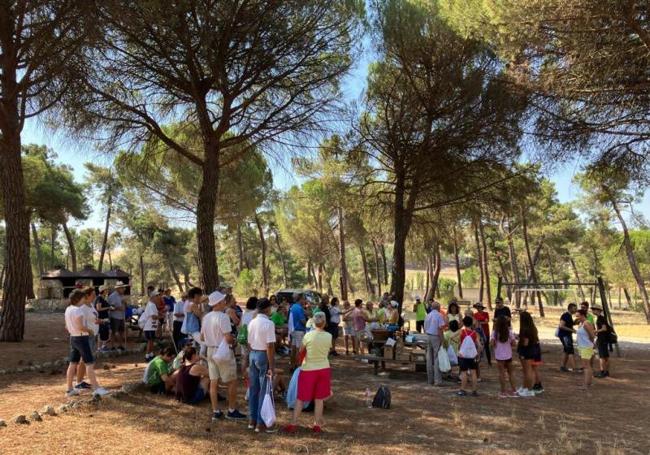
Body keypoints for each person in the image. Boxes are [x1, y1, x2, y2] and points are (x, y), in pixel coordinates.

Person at [283, 312, 333, 434]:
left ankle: (294, 423)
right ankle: (316, 425)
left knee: (301, 398)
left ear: (313, 322)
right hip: (323, 369)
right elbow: (328, 351)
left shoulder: (308, 336)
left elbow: (301, 351)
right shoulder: (329, 336)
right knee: (319, 399)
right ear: (325, 323)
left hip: (308, 369)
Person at [201, 290, 247, 422]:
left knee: (214, 381)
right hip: (222, 351)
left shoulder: (206, 317)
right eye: (223, 300)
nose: (225, 302)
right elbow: (228, 338)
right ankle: (232, 410)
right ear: (219, 303)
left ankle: (216, 411)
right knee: (232, 381)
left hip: (210, 350)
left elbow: (203, 336)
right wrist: (234, 341)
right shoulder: (223, 317)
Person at [64, 289, 109, 397]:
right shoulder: (78, 310)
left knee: (72, 363)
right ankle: (96, 388)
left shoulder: (68, 309)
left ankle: (69, 389)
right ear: (79, 299)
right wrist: (89, 331)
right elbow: (80, 326)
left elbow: (67, 326)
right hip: (82, 338)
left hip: (73, 338)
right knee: (89, 363)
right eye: (83, 298)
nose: (85, 299)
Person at [247, 298, 277, 433]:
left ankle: (252, 420)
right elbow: (270, 346)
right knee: (264, 390)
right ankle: (260, 422)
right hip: (263, 355)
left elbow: (248, 343)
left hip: (252, 354)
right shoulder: (269, 324)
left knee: (253, 389)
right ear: (267, 309)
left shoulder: (252, 322)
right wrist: (272, 366)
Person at [76, 286, 100, 389]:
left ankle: (82, 380)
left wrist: (98, 321)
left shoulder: (91, 305)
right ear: (87, 295)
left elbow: (93, 318)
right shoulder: (82, 308)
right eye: (93, 295)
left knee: (90, 358)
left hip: (93, 335)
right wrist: (88, 331)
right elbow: (80, 323)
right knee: (84, 359)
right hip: (87, 336)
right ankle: (79, 381)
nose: (95, 296)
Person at [491, 316, 518, 398]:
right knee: (511, 373)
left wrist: (495, 344)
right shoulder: (509, 332)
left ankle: (503, 392)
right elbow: (514, 344)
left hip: (499, 356)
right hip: (508, 355)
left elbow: (492, 343)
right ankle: (514, 391)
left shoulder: (495, 332)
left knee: (501, 374)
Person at [516, 311, 539, 397]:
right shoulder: (533, 328)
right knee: (526, 371)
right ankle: (525, 387)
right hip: (531, 350)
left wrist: (519, 340)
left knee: (527, 371)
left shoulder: (525, 329)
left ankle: (529, 389)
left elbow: (525, 343)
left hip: (526, 352)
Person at [424, 301, 446, 387]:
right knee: (437, 357)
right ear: (438, 308)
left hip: (428, 336)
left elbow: (425, 328)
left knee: (429, 358)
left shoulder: (428, 315)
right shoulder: (439, 315)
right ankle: (437, 380)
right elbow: (440, 329)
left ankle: (430, 380)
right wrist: (442, 339)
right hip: (436, 336)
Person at [457, 316, 480, 397]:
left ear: (464, 323)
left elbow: (459, 343)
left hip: (463, 355)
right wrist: (478, 354)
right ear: (471, 323)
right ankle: (474, 391)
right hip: (472, 356)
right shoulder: (475, 333)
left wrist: (459, 350)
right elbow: (479, 345)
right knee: (473, 372)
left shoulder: (462, 332)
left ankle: (462, 389)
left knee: (464, 372)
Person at [576, 308, 596, 389]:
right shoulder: (581, 324)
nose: (577, 317)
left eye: (578, 316)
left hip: (586, 347)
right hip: (582, 346)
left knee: (586, 366)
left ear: (582, 315)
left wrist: (591, 344)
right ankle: (588, 383)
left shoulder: (586, 324)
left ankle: (586, 384)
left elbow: (592, 335)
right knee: (587, 366)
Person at [141, 290, 163, 362]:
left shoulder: (153, 305)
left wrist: (160, 314)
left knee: (152, 340)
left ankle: (151, 354)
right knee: (150, 341)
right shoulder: (150, 305)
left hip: (152, 326)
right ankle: (147, 355)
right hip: (148, 326)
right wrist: (161, 317)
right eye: (156, 296)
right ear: (153, 297)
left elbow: (155, 313)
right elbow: (153, 316)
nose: (158, 297)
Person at [240, 297, 258, 379]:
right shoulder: (255, 314)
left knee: (244, 357)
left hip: (243, 337)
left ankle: (244, 374)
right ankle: (251, 374)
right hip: (251, 338)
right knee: (251, 357)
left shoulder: (245, 313)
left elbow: (240, 325)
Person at [592, 305, 612, 378]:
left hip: (602, 339)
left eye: (594, 309)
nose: (593, 311)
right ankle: (606, 371)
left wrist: (595, 331)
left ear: (598, 310)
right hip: (603, 339)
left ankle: (603, 371)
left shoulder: (601, 318)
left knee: (602, 356)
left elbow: (604, 328)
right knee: (605, 356)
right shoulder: (601, 318)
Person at [108, 281, 128, 351]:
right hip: (114, 317)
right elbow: (111, 307)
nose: (123, 289)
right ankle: (112, 346)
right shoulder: (112, 296)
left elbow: (125, 306)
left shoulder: (122, 296)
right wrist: (118, 308)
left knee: (121, 331)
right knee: (114, 331)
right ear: (118, 289)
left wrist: (125, 303)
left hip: (122, 316)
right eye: (122, 288)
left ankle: (120, 345)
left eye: (123, 288)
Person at [558, 303, 578, 372]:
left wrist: (575, 324)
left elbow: (569, 325)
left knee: (566, 350)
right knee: (570, 351)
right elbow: (561, 326)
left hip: (567, 335)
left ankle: (562, 366)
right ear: (570, 308)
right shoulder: (565, 315)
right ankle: (574, 368)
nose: (576, 310)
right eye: (574, 308)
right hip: (564, 335)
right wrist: (572, 330)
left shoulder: (569, 316)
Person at [290, 294, 307, 370]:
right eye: (303, 299)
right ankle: (298, 366)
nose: (304, 301)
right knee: (299, 349)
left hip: (293, 330)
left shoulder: (293, 306)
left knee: (293, 348)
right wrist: (308, 323)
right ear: (300, 299)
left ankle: (292, 365)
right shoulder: (299, 308)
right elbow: (302, 320)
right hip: (299, 330)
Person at [95, 285, 111, 352]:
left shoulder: (103, 298)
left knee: (106, 332)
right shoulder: (99, 298)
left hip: (105, 317)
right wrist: (108, 308)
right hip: (101, 318)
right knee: (101, 332)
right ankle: (99, 348)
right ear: (103, 291)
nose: (107, 291)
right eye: (106, 290)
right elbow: (98, 308)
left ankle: (104, 346)